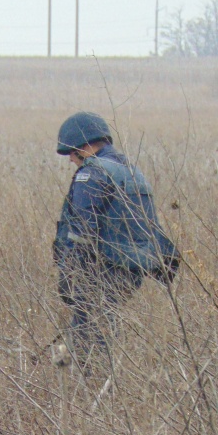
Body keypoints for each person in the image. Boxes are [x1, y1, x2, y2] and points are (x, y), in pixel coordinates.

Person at [52, 111, 179, 373]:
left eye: (72, 154)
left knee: (90, 335)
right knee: (98, 326)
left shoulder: (93, 174)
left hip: (102, 269)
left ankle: (93, 389)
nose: (72, 161)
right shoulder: (131, 171)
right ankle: (99, 383)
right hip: (131, 270)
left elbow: (82, 230)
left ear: (85, 147)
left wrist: (68, 273)